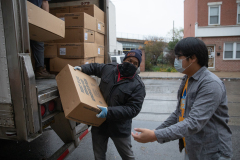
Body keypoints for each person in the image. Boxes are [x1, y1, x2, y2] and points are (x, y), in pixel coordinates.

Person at [131, 37, 233, 160]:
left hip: (212, 152)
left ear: (193, 58)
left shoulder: (210, 84)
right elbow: (179, 113)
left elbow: (194, 122)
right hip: (193, 148)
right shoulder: (188, 79)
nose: (176, 60)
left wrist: (155, 135)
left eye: (179, 57)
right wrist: (156, 132)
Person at [74, 50, 146, 160]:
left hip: (120, 128)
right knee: (99, 156)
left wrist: (109, 111)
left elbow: (133, 109)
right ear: (124, 60)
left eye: (135, 63)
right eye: (129, 60)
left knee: (128, 157)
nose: (131, 64)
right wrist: (83, 69)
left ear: (137, 66)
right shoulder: (109, 69)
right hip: (99, 124)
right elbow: (95, 67)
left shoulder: (138, 85)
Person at [28, 0, 55, 79]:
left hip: (22, 14)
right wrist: (45, 21)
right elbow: (44, 2)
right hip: (33, 15)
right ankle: (40, 70)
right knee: (38, 41)